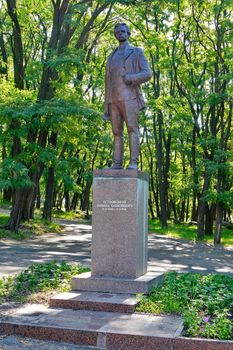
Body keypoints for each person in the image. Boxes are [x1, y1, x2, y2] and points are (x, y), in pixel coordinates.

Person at [103, 22, 151, 170]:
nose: (120, 34)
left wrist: (131, 77)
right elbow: (107, 83)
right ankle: (117, 164)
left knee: (132, 129)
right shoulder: (111, 56)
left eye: (123, 31)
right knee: (117, 133)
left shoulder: (136, 52)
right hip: (113, 99)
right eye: (117, 32)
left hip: (130, 97)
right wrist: (106, 108)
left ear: (128, 33)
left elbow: (147, 73)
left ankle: (134, 163)